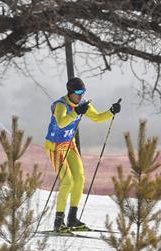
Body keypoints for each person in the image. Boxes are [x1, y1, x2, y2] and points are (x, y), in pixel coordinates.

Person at [45, 77, 121, 232]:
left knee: (79, 178)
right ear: (70, 92)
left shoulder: (81, 104)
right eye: (78, 92)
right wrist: (75, 112)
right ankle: (58, 222)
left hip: (69, 145)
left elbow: (98, 118)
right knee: (67, 181)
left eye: (83, 92)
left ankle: (72, 219)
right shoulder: (61, 105)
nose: (81, 96)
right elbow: (61, 122)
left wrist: (111, 112)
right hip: (55, 147)